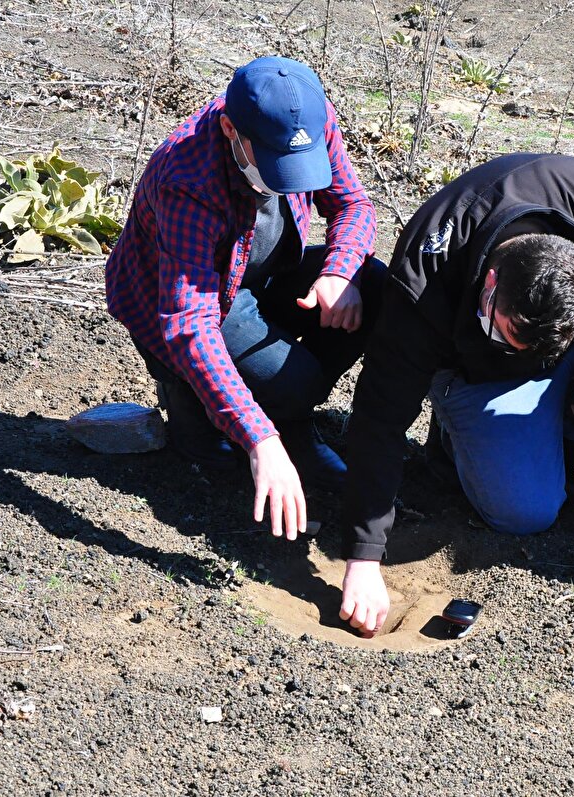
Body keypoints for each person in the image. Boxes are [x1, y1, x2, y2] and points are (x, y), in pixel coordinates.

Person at [336, 153, 574, 636]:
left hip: (569, 336)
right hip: (474, 373)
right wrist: (364, 558)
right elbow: (379, 419)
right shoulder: (424, 281)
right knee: (525, 514)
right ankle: (456, 442)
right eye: (506, 333)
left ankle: (558, 434)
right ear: (489, 284)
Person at [105, 56, 382, 540]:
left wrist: (340, 271)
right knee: (227, 436)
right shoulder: (186, 177)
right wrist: (259, 441)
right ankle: (208, 412)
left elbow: (353, 204)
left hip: (264, 269)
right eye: (275, 166)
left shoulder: (307, 118)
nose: (287, 180)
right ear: (232, 130)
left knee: (373, 285)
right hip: (183, 300)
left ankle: (286, 420)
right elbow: (189, 323)